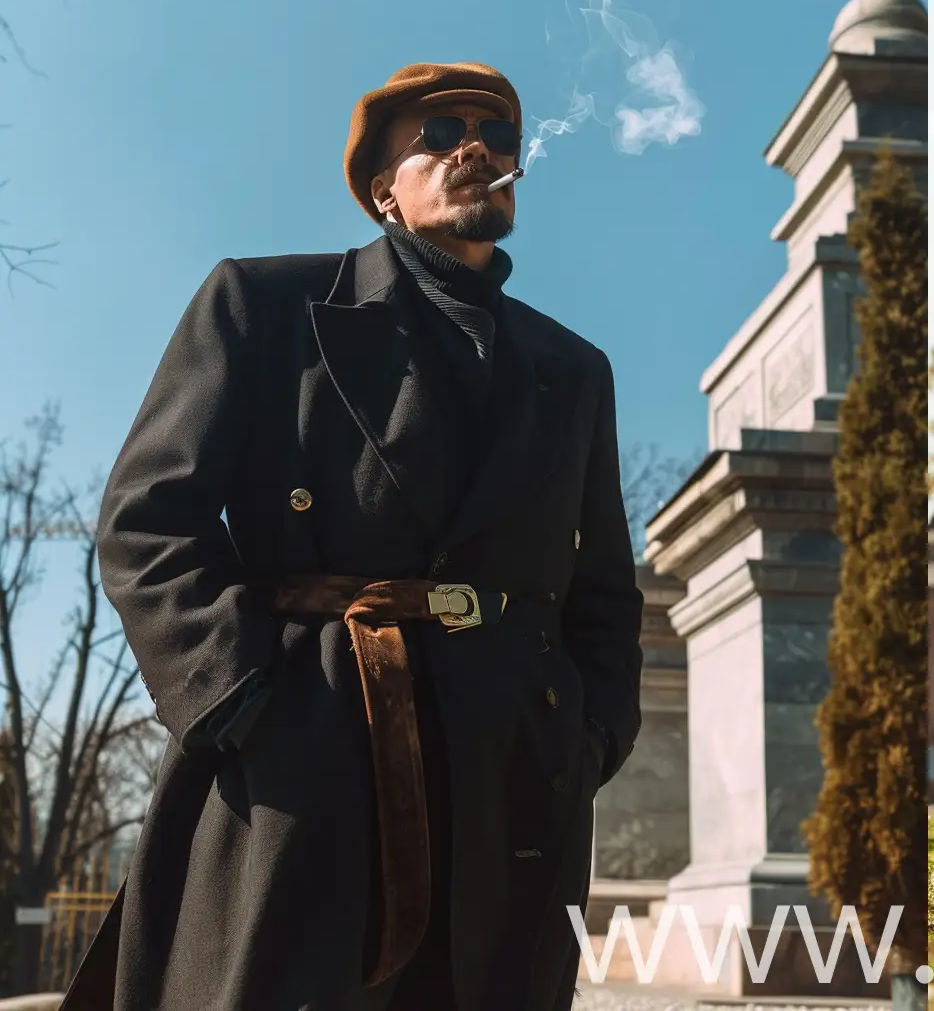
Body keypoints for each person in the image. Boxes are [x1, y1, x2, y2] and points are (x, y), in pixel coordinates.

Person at [65, 61, 640, 1010]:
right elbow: (147, 521)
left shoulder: (575, 371)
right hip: (305, 757)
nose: (477, 150)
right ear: (383, 189)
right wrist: (247, 706)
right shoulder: (263, 306)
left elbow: (606, 597)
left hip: (514, 787)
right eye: (441, 132)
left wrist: (585, 739)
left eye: (497, 137)